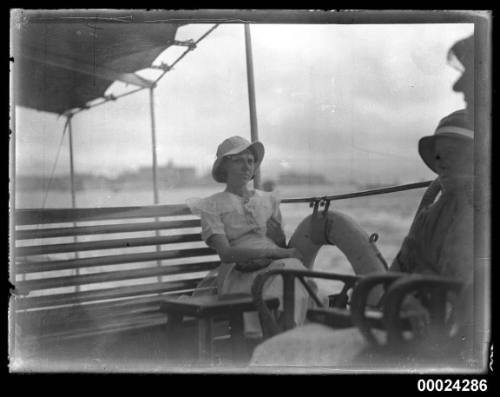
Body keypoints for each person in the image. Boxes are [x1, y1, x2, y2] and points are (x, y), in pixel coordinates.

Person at [250, 109, 474, 368]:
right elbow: (402, 263)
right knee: (294, 342)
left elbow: (460, 287)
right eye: (439, 154)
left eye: (452, 153)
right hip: (403, 314)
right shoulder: (432, 212)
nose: (442, 161)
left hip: (434, 330)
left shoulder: (473, 211)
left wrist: (405, 304)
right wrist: (391, 300)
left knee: (282, 350)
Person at [188, 136, 309, 336]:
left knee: (290, 272)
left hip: (272, 266)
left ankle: (283, 338)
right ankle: (282, 339)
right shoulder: (212, 205)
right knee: (287, 276)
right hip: (239, 273)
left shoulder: (268, 200)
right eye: (239, 161)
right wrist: (277, 252)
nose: (247, 167)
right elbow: (226, 254)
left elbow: (280, 244)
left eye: (250, 161)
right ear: (224, 167)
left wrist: (278, 238)